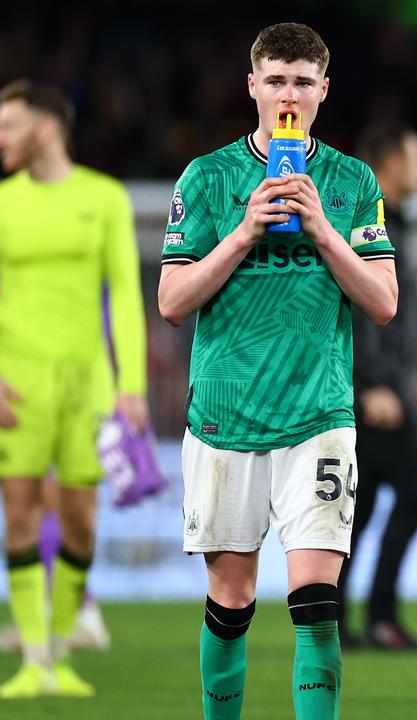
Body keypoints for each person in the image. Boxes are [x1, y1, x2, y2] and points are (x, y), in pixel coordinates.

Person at [157, 22, 398, 720]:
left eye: (302, 81)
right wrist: (243, 232)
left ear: (323, 91)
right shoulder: (207, 178)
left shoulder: (353, 181)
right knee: (231, 604)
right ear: (253, 88)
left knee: (317, 606)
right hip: (225, 417)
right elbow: (172, 301)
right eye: (275, 79)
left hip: (318, 416)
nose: (288, 93)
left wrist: (322, 228)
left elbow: (383, 302)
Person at [0, 81, 148, 698]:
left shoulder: (104, 197)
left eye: (6, 125)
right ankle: (35, 659)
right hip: (15, 382)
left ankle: (59, 652)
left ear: (43, 128)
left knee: (81, 521)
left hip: (88, 384)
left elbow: (128, 295)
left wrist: (132, 386)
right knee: (18, 516)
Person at [336, 123, 417, 650]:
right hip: (369, 391)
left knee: (364, 504)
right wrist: (372, 385)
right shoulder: (364, 219)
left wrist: (408, 375)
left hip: (387, 384)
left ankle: (340, 620)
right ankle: (379, 614)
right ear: (391, 164)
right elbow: (352, 308)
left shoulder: (392, 220)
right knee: (414, 492)